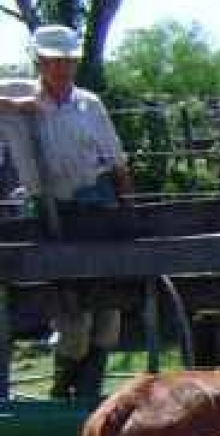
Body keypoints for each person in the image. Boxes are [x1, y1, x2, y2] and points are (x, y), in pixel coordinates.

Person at [0, 24, 134, 400]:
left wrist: (129, 210)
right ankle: (62, 391)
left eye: (69, 61)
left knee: (107, 313)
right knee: (73, 315)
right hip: (52, 211)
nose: (63, 68)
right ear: (39, 62)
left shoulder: (88, 103)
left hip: (97, 203)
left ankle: (88, 393)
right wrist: (16, 107)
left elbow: (117, 161)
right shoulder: (17, 92)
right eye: (54, 61)